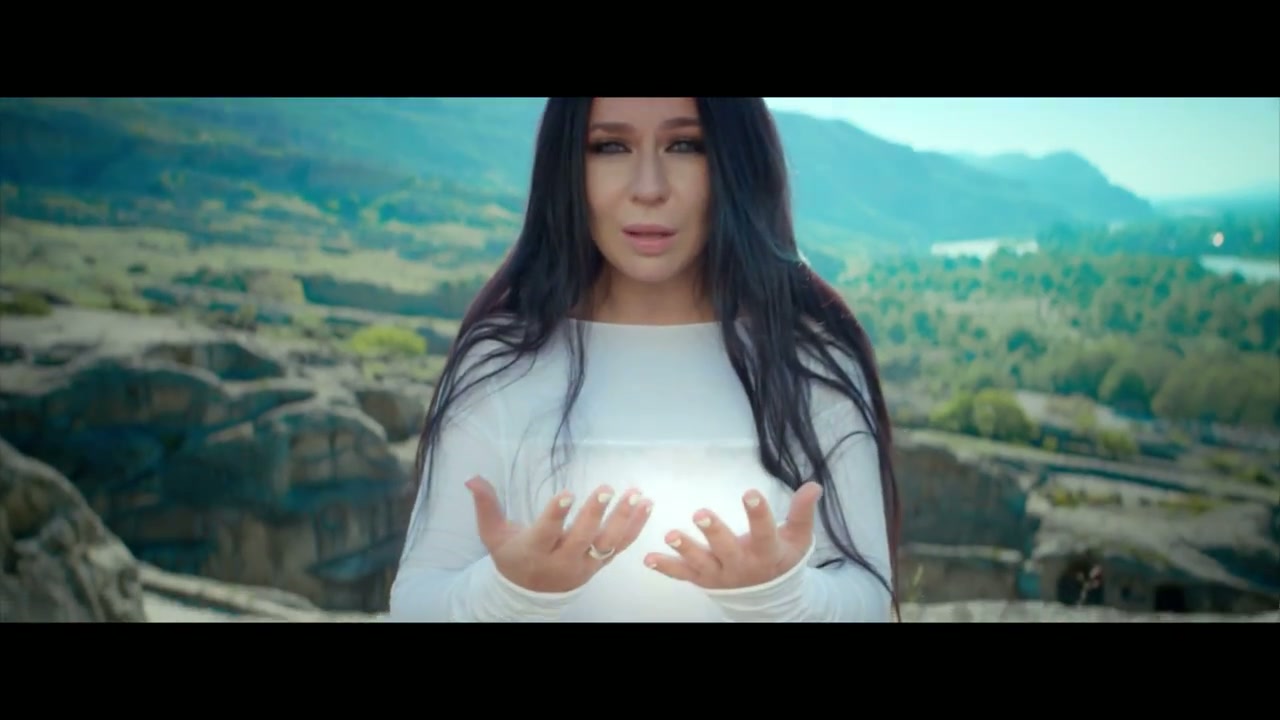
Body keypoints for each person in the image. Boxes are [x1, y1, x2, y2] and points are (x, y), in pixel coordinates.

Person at [387, 97, 901, 622]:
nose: (649, 188)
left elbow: (867, 596)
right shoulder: (502, 361)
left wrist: (776, 596)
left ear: (737, 161)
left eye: (686, 145)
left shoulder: (808, 363)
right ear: (566, 165)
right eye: (611, 146)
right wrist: (511, 592)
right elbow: (417, 600)